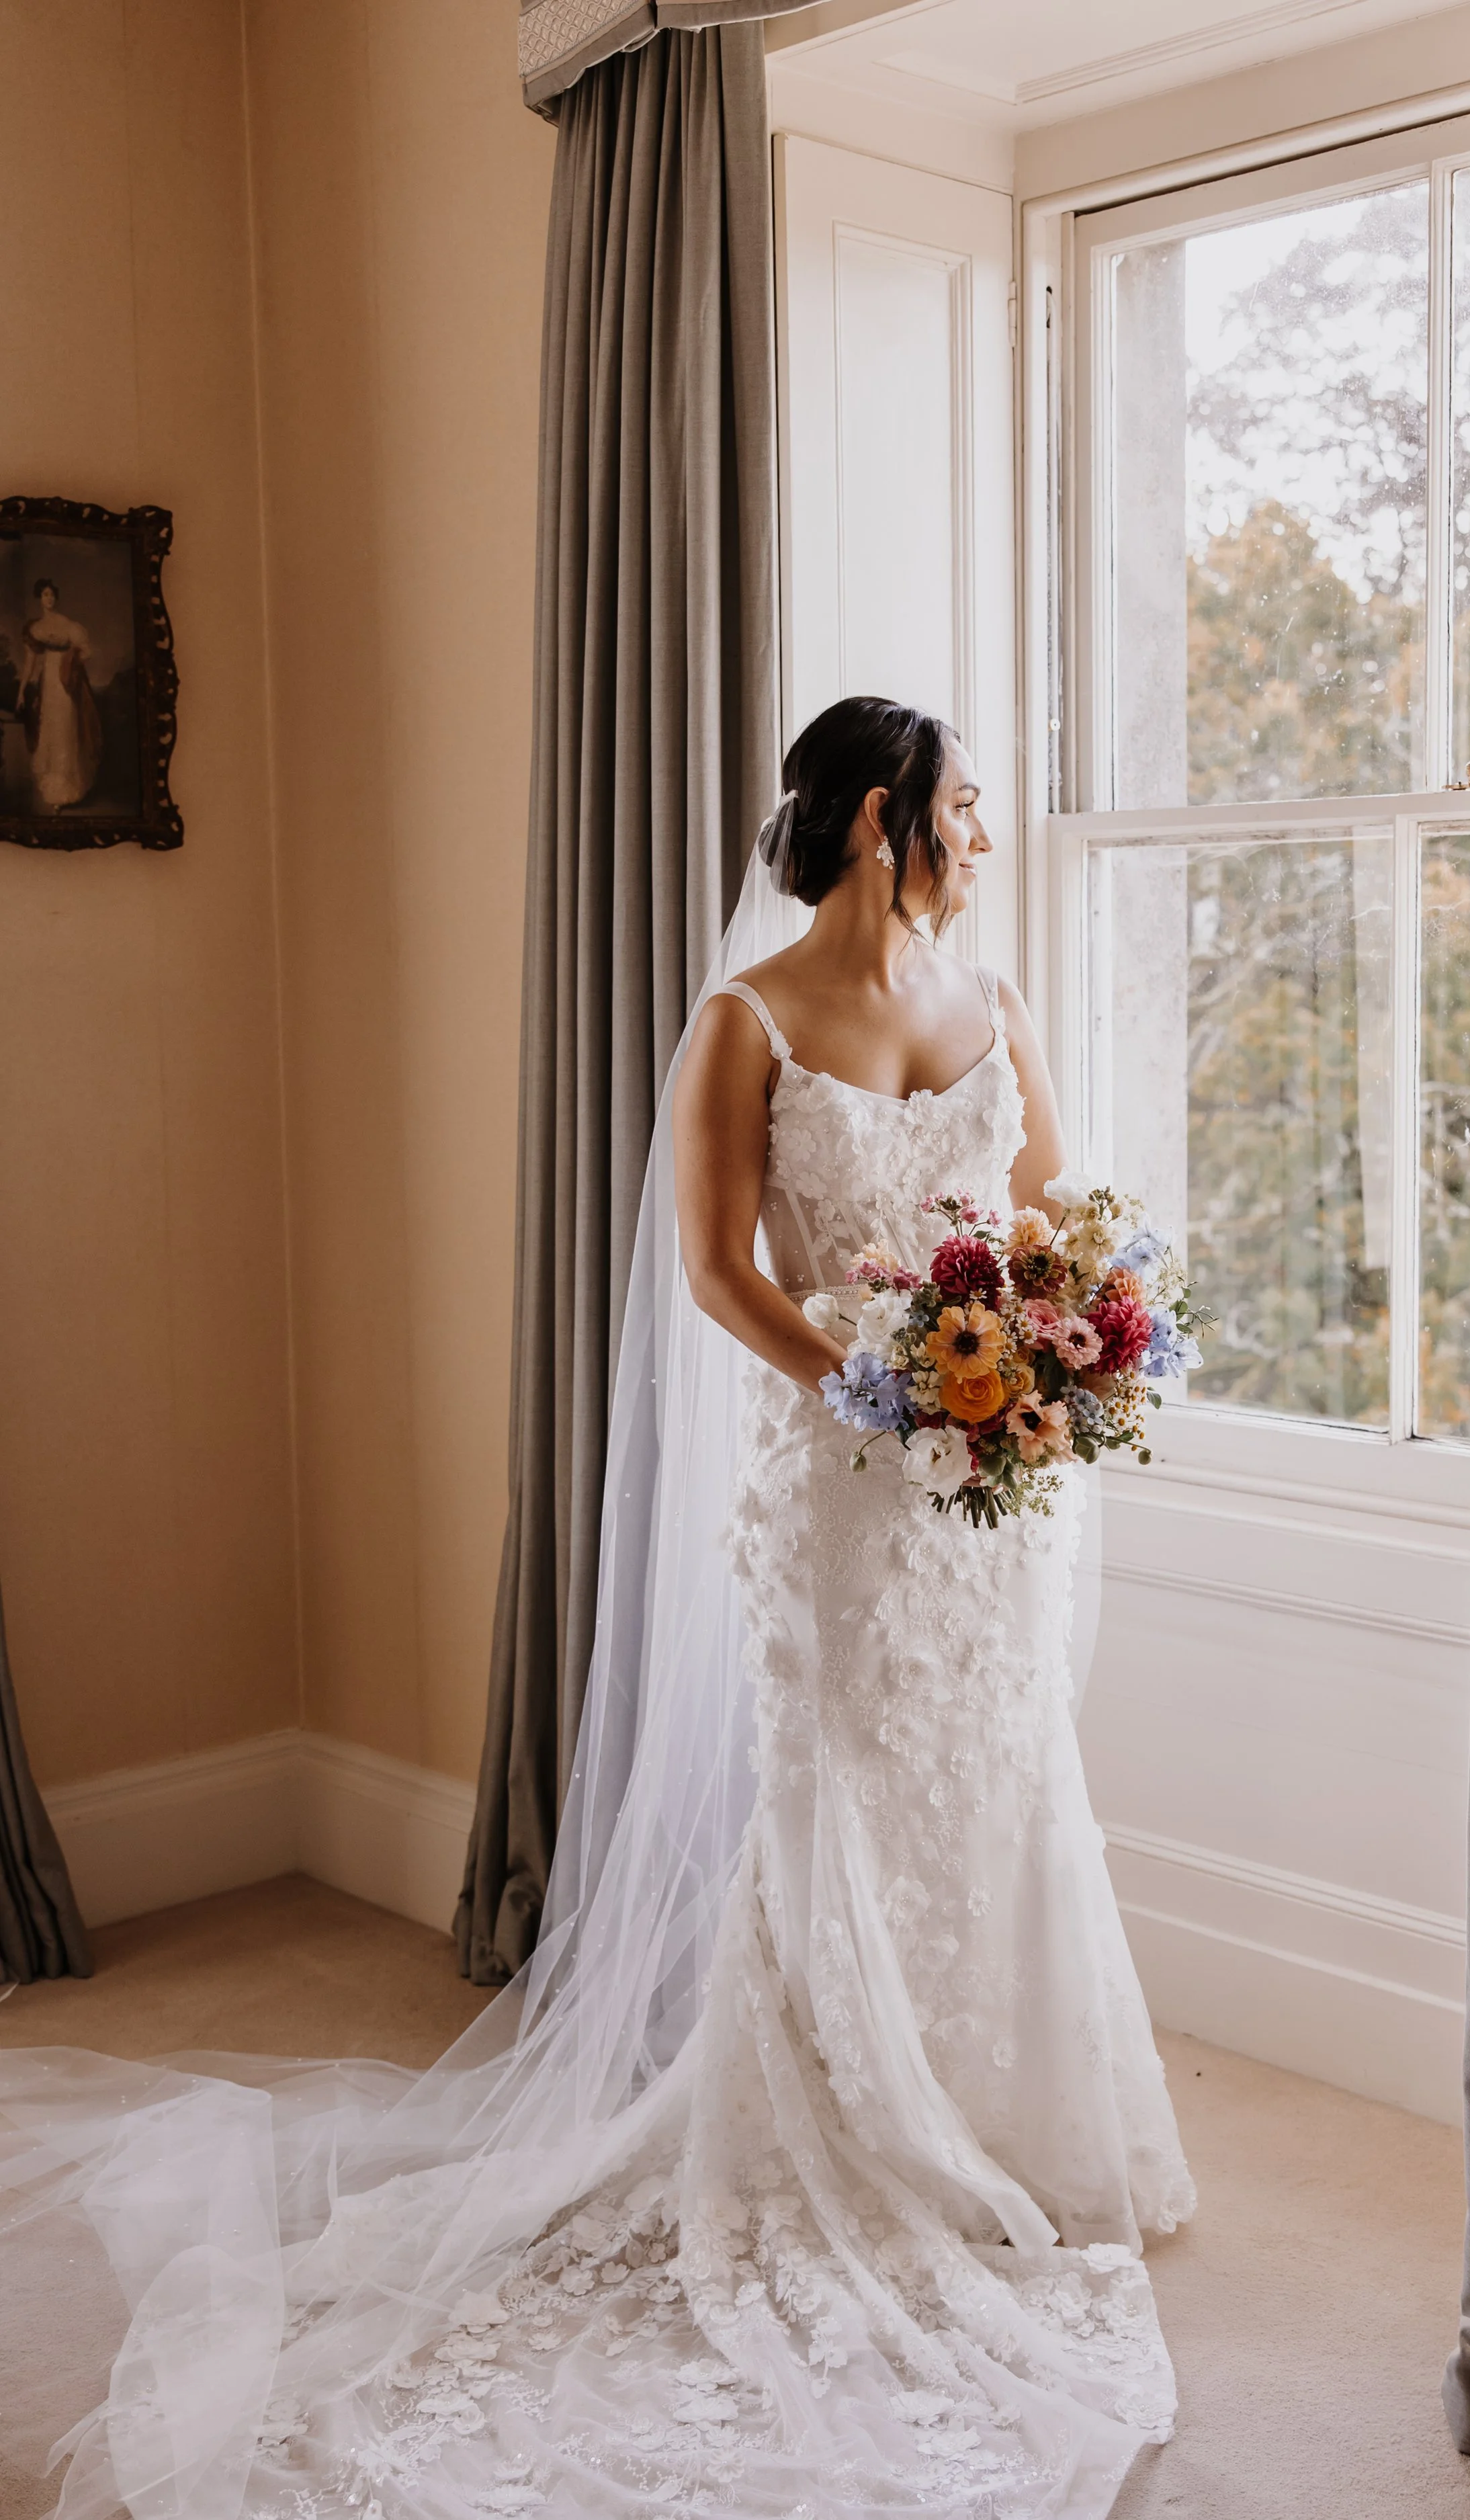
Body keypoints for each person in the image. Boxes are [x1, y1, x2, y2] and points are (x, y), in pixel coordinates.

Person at [0, 699, 1191, 2520]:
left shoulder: (994, 1002)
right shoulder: (748, 1019)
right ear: (878, 822)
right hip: (851, 1479)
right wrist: (880, 1390)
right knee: (847, 1796)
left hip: (988, 1494)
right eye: (959, 805)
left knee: (999, 1773)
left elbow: (1039, 1214)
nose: (980, 835)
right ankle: (846, 2141)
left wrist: (1056, 1342)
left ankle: (1008, 2123)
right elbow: (718, 1265)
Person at [18, 579, 101, 810]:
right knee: (50, 729)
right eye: (45, 595)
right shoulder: (35, 628)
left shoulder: (67, 625)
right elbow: (30, 663)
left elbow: (87, 652)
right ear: (40, 598)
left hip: (65, 683)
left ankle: (66, 790)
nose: (49, 599)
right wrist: (22, 691)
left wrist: (71, 661)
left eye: (52, 595)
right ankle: (52, 789)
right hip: (48, 684)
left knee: (66, 728)